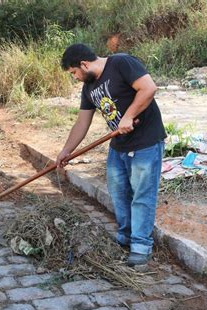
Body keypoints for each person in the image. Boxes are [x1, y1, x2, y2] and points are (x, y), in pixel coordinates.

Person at [58, 43, 166, 267]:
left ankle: (141, 246)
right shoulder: (88, 88)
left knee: (142, 196)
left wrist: (128, 116)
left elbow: (148, 88)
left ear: (84, 64)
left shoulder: (121, 63)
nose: (75, 77)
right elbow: (82, 121)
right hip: (119, 146)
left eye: (74, 72)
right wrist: (67, 150)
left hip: (145, 142)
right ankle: (125, 237)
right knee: (119, 194)